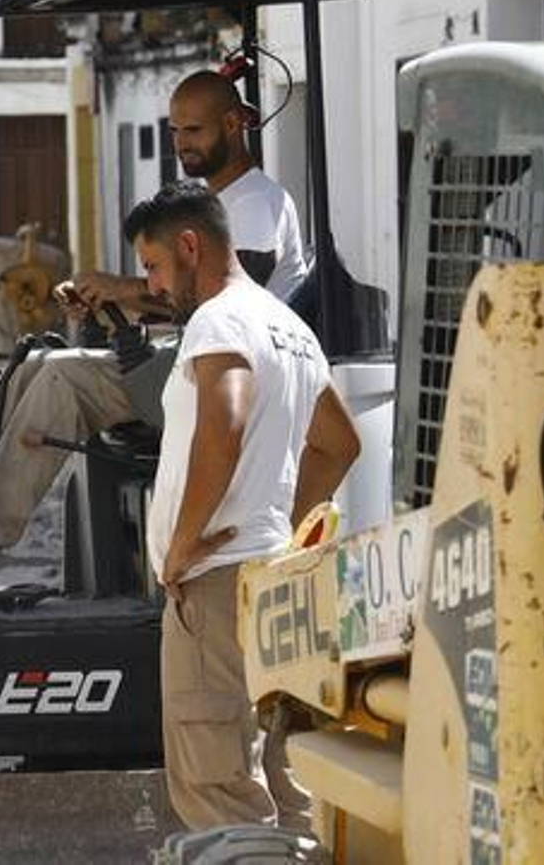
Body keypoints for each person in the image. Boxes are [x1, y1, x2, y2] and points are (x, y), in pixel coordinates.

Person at [0, 69, 308, 564]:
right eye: (175, 131)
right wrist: (110, 302)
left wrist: (122, 288)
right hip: (194, 360)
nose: (182, 144)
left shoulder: (254, 203)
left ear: (232, 124)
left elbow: (223, 296)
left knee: (64, 378)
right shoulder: (213, 203)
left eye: (195, 131)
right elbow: (188, 300)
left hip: (228, 380)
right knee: (36, 361)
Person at [126, 181, 360, 830]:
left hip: (217, 582)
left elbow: (223, 424)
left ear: (191, 245)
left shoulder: (218, 320)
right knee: (284, 786)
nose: (152, 285)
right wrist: (279, 531)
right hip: (276, 582)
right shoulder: (290, 329)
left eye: (153, 265)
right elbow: (339, 446)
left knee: (219, 789)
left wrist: (183, 545)